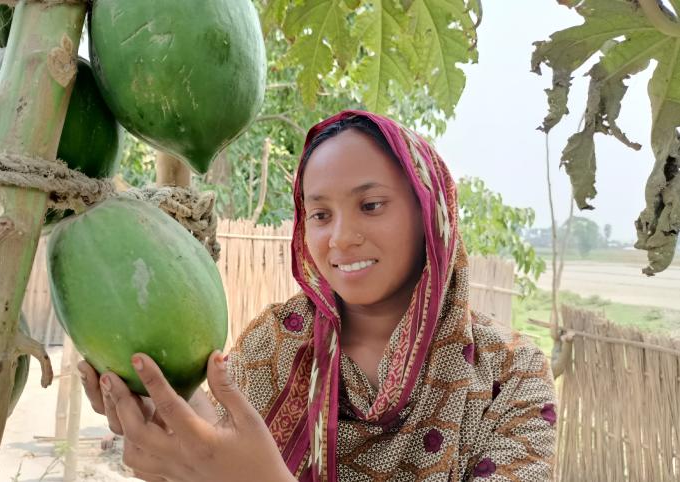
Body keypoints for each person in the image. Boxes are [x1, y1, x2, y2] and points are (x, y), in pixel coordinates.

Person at [78, 110, 557, 481]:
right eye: (321, 215)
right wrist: (168, 427)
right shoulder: (275, 342)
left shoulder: (510, 374)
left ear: (430, 216)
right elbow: (215, 451)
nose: (340, 238)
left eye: (371, 206)